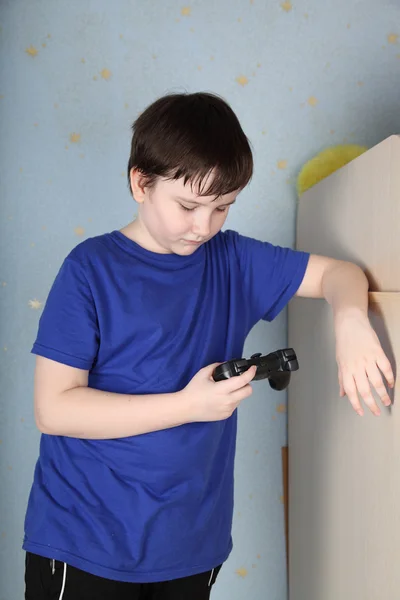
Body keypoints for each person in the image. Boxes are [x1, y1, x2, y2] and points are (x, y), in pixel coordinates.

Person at [23, 92, 394, 600]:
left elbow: (340, 274)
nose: (204, 227)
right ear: (141, 182)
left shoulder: (234, 260)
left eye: (222, 207)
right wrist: (187, 406)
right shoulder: (89, 269)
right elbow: (54, 409)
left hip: (192, 545)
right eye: (188, 205)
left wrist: (351, 321)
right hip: (85, 540)